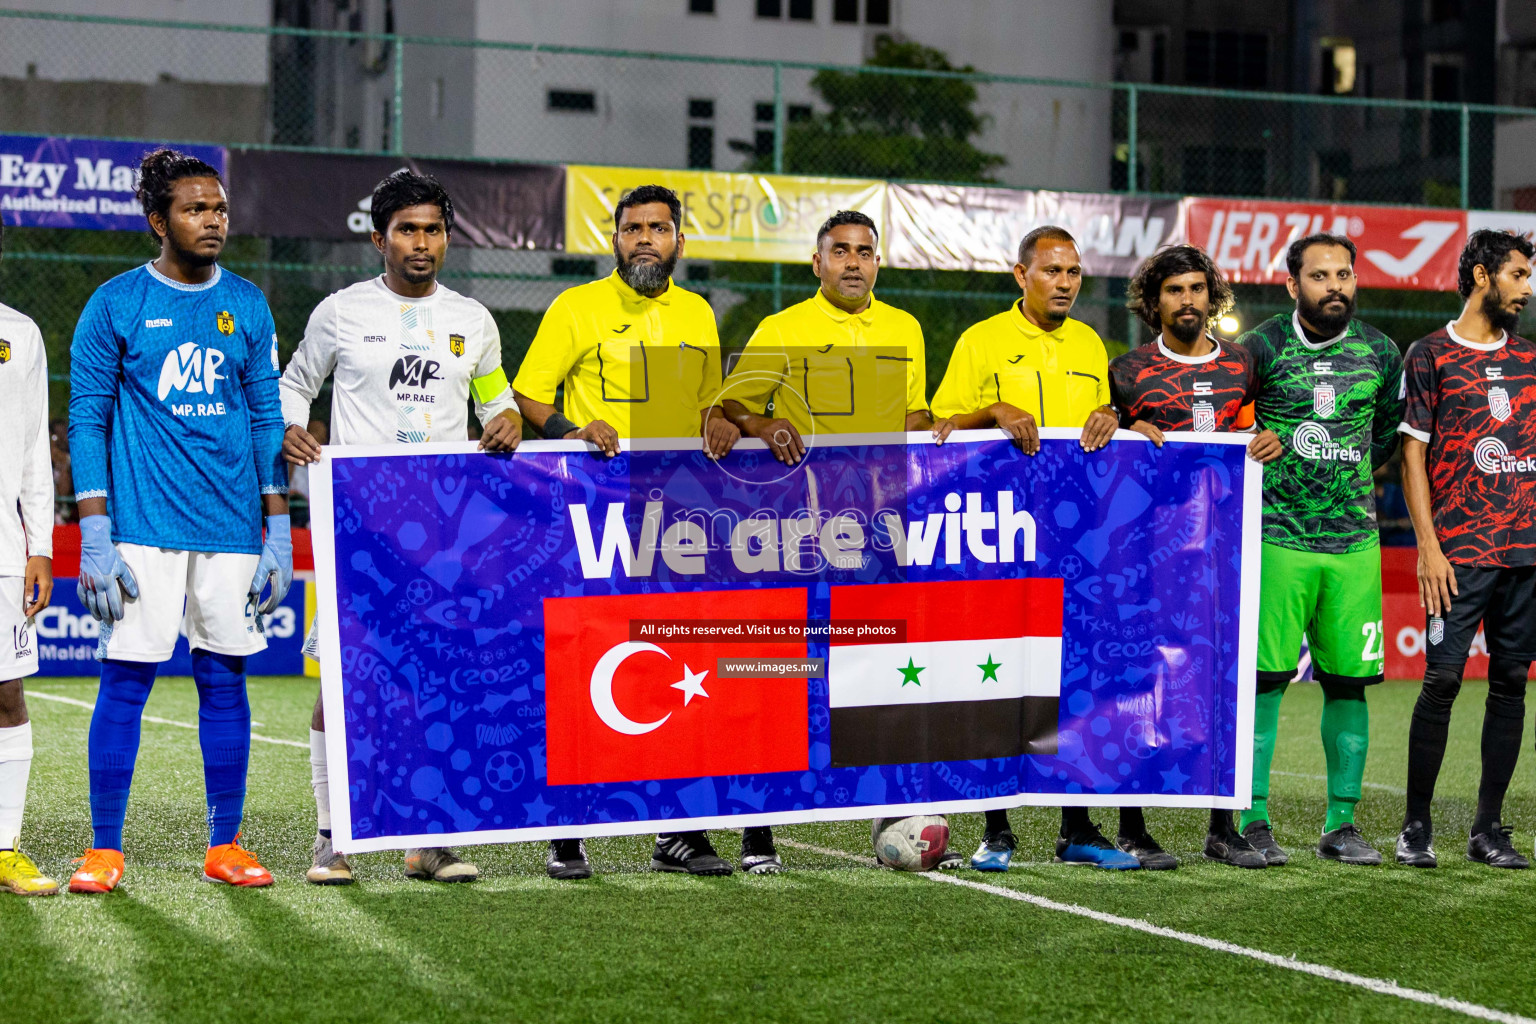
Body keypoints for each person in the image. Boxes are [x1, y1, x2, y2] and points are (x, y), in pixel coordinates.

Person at [282, 170, 522, 885]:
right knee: (343, 682)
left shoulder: (473, 320)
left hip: (444, 539)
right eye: (408, 230)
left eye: (434, 230)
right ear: (380, 236)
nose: (422, 243)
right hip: (358, 525)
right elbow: (295, 383)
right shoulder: (340, 311)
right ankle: (332, 839)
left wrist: (504, 417)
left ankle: (429, 840)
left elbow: (494, 400)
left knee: (438, 681)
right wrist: (293, 428)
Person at [66, 148, 291, 893]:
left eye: (220, 209)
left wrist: (277, 527)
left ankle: (225, 845)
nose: (213, 221)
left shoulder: (250, 305)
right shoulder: (115, 303)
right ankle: (105, 849)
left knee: (225, 679)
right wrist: (93, 529)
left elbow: (267, 418)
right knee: (127, 679)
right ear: (158, 221)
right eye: (196, 209)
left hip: (231, 528)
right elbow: (87, 416)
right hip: (141, 527)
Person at [513, 184, 739, 879]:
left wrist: (722, 417)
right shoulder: (576, 307)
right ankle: (568, 828)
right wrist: (573, 431)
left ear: (678, 240)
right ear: (614, 240)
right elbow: (528, 396)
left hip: (676, 518)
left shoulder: (698, 313)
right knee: (583, 662)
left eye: (658, 228)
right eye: (633, 229)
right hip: (592, 516)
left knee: (683, 667)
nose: (645, 239)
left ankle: (680, 831)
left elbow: (707, 405)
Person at [720, 209, 933, 872]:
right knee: (788, 676)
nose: (852, 262)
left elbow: (916, 417)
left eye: (864, 251)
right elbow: (730, 407)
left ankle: (893, 816)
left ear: (878, 262)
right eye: (838, 250)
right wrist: (766, 422)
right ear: (816, 263)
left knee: (883, 676)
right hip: (798, 534)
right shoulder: (783, 329)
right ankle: (761, 831)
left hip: (880, 536)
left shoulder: (905, 328)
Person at [930, 225, 1137, 871]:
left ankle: (1077, 828)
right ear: (1020, 276)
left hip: (1077, 544)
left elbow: (1103, 429)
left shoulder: (1088, 341)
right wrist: (991, 409)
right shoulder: (981, 340)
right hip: (1002, 541)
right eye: (1052, 271)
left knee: (1076, 681)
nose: (1066, 283)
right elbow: (938, 426)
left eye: (1074, 272)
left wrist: (1114, 415)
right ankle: (997, 829)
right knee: (1003, 676)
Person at [1107, 244, 1282, 870]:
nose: (1188, 300)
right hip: (1149, 554)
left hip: (1224, 552)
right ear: (1153, 302)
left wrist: (1266, 442)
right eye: (1175, 290)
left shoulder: (1241, 366)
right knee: (1142, 680)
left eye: (1197, 289)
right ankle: (1133, 825)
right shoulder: (1126, 372)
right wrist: (1121, 431)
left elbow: (1257, 431)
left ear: (1214, 297)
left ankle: (1222, 826)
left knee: (1222, 682)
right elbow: (1103, 456)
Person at [1237, 232, 1403, 867]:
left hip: (1355, 544)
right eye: (1320, 276)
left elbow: (1383, 437)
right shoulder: (1262, 347)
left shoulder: (1382, 352)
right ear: (1292, 284)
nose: (1335, 286)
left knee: (1348, 683)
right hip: (1276, 538)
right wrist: (1252, 433)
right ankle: (1250, 817)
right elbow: (1220, 415)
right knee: (1263, 684)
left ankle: (1342, 823)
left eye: (1344, 275)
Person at [1397, 228, 1536, 870]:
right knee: (1444, 679)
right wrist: (1428, 546)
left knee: (1510, 682)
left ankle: (1487, 829)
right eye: (1516, 275)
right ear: (1481, 276)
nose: (1526, 289)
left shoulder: (1531, 361)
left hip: (1525, 554)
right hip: (1459, 553)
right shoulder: (1429, 355)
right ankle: (1416, 825)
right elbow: (1412, 452)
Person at [0, 213, 58, 895]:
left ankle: (5, 846)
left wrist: (40, 546)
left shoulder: (19, 332)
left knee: (6, 696)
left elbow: (33, 452)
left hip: (4, 551)